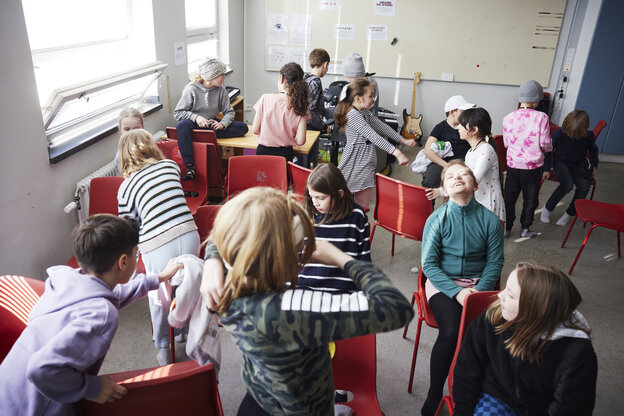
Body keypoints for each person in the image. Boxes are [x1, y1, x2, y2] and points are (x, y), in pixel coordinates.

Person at [200, 187, 414, 415]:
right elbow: (396, 308)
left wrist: (211, 261)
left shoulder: (226, 288)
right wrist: (340, 257)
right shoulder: (298, 310)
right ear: (284, 258)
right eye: (300, 245)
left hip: (259, 398)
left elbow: (223, 233)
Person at [0, 214, 182, 416]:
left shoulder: (67, 280)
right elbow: (41, 369)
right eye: (135, 254)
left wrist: (158, 278)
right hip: (36, 406)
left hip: (7, 391)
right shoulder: (102, 315)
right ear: (123, 262)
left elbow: (113, 295)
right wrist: (92, 388)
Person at [453, 262, 597, 415]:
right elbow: (467, 368)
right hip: (497, 397)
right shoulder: (494, 315)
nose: (499, 295)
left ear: (534, 310)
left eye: (510, 295)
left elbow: (571, 408)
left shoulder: (577, 353)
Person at [420, 160, 504, 416]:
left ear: (475, 184)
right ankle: (435, 393)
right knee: (452, 330)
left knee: (497, 332)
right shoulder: (437, 219)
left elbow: (495, 262)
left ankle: (484, 391)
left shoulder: (490, 220)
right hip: (443, 283)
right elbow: (429, 265)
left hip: (479, 285)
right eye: (450, 177)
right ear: (444, 190)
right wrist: (457, 292)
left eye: (464, 174)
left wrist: (480, 290)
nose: (457, 177)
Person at [117, 129, 200, 365]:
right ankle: (184, 332)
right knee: (187, 285)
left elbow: (129, 227)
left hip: (157, 243)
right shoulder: (171, 167)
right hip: (188, 232)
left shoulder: (126, 188)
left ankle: (164, 345)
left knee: (160, 296)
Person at [335, 78, 415, 209]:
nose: (373, 99)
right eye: (370, 95)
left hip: (366, 161)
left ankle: (360, 226)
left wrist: (403, 140)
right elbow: (373, 136)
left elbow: (382, 127)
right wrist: (397, 152)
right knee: (343, 203)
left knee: (362, 207)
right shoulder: (352, 115)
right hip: (353, 161)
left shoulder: (364, 111)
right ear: (358, 98)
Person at [298, 163, 371, 292]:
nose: (315, 203)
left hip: (343, 290)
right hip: (306, 287)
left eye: (321, 198)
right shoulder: (306, 214)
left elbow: (364, 259)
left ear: (339, 194)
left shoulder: (357, 217)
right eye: (311, 196)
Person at [174, 57, 249, 180]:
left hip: (211, 125)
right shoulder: (191, 89)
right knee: (182, 125)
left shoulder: (221, 91)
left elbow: (229, 112)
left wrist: (222, 124)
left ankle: (204, 135)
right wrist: (196, 117)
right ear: (211, 76)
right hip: (194, 124)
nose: (224, 77)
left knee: (243, 127)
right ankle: (190, 167)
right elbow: (178, 113)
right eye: (221, 74)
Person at [427, 107, 505, 221]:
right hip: (476, 201)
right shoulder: (470, 151)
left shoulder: (486, 150)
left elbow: (472, 181)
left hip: (488, 204)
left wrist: (442, 192)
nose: (458, 127)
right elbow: (464, 176)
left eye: (462, 125)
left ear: (473, 130)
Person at [502, 80, 552, 238]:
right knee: (530, 199)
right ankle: (525, 229)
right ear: (537, 100)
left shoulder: (508, 117)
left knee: (509, 198)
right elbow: (544, 144)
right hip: (532, 168)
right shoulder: (542, 117)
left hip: (513, 166)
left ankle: (507, 228)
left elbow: (506, 143)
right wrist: (546, 150)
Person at [540, 109, 599, 227]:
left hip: (578, 163)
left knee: (584, 186)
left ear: (582, 131)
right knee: (567, 185)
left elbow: (593, 151)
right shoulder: (559, 134)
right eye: (569, 132)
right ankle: (547, 209)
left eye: (574, 134)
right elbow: (547, 152)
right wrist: (546, 169)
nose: (571, 135)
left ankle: (569, 214)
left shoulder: (589, 136)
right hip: (561, 162)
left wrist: (594, 165)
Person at [252, 62, 310, 162]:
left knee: (262, 177)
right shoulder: (301, 106)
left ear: (282, 79)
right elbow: (300, 141)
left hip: (262, 153)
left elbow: (255, 130)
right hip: (284, 155)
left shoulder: (265, 99)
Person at [421, 95, 476, 192]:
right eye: (463, 112)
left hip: (464, 162)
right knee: (430, 180)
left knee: (463, 185)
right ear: (452, 112)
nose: (467, 115)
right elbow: (427, 150)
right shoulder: (440, 128)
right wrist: (447, 166)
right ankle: (427, 206)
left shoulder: (467, 126)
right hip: (443, 162)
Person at [304, 48, 331, 133]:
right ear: (325, 64)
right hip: (310, 127)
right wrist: (324, 126)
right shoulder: (315, 82)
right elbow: (310, 111)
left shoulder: (305, 78)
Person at [113, 107, 145, 176]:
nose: (131, 133)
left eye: (136, 128)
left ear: (142, 128)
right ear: (120, 130)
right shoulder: (120, 156)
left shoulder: (148, 146)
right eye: (127, 129)